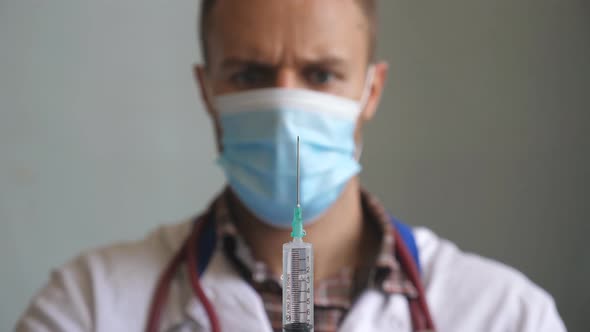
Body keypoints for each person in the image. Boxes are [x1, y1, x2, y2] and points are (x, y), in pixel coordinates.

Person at [16, 0, 566, 331]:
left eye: (321, 76)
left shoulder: (507, 315)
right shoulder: (88, 307)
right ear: (206, 89)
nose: (285, 112)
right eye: (250, 76)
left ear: (371, 90)